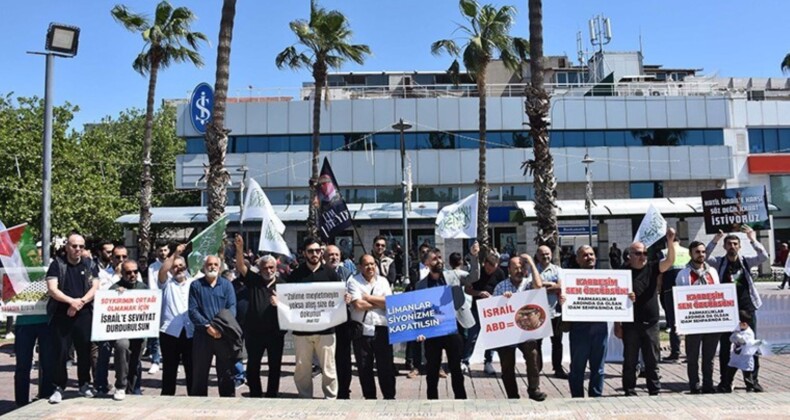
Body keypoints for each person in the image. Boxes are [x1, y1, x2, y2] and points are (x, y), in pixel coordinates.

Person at [706, 227, 768, 393]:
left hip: (747, 309)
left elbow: (764, 256)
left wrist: (752, 238)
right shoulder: (719, 262)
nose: (732, 246)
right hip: (727, 310)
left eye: (735, 244)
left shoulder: (746, 261)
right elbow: (703, 256)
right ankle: (725, 381)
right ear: (725, 247)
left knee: (750, 345)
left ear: (739, 246)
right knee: (726, 346)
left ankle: (752, 381)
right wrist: (716, 239)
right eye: (729, 244)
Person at [415, 247, 478, 400]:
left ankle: (461, 401)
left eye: (440, 257)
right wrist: (419, 331)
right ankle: (432, 403)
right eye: (435, 258)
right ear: (427, 263)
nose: (439, 260)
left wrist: (475, 257)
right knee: (432, 371)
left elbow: (473, 277)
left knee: (456, 369)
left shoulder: (454, 275)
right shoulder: (420, 285)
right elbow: (418, 311)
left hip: (453, 329)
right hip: (433, 333)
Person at [621, 228, 676, 397]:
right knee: (630, 360)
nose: (642, 256)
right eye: (638, 253)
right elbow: (614, 299)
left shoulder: (652, 267)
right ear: (629, 255)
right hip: (630, 323)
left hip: (651, 323)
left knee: (652, 359)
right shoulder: (621, 272)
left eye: (645, 253)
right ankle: (629, 390)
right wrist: (625, 297)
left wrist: (670, 240)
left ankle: (654, 389)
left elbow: (670, 261)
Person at [46, 233, 100, 404]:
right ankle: (59, 387)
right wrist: (71, 302)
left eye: (81, 246)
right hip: (62, 315)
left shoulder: (90, 264)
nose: (78, 249)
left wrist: (80, 302)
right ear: (67, 246)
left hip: (84, 315)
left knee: (84, 351)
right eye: (74, 246)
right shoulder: (57, 265)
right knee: (61, 352)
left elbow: (95, 287)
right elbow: (52, 290)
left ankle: (84, 384)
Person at [286, 237, 341, 399]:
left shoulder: (331, 274)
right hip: (302, 331)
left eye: (318, 251)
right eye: (311, 251)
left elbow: (338, 300)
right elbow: (288, 301)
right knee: (302, 369)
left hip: (326, 331)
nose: (315, 254)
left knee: (329, 368)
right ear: (304, 253)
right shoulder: (296, 275)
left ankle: (331, 398)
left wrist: (344, 299)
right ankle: (304, 398)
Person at [234, 236, 285, 398]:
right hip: (254, 333)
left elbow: (293, 308)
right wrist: (240, 249)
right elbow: (241, 266)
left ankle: (272, 395)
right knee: (253, 367)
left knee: (274, 367)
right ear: (260, 268)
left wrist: (280, 304)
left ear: (276, 268)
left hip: (275, 333)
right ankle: (255, 394)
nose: (268, 271)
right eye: (265, 268)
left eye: (271, 268)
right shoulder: (254, 280)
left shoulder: (284, 284)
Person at [493, 256, 546, 401]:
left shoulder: (529, 284)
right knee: (507, 365)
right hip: (507, 332)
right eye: (515, 267)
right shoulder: (500, 287)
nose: (519, 270)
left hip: (525, 330)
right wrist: (501, 301)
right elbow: (492, 313)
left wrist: (531, 263)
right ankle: (512, 396)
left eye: (522, 267)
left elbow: (539, 287)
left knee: (533, 354)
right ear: (509, 269)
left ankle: (534, 389)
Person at [347, 254, 396, 399]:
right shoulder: (354, 282)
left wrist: (367, 297)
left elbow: (389, 302)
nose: (370, 267)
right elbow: (358, 305)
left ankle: (389, 396)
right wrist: (379, 302)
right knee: (364, 367)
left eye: (372, 264)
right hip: (362, 329)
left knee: (385, 366)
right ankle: (369, 398)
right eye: (367, 264)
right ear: (360, 267)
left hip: (381, 328)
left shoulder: (383, 281)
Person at [188, 255, 238, 397]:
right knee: (200, 374)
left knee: (226, 374)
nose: (213, 267)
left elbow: (232, 307)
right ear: (204, 267)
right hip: (203, 336)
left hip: (223, 336)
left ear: (220, 266)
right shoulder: (196, 286)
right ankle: (198, 406)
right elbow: (193, 310)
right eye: (210, 264)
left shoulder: (227, 285)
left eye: (216, 264)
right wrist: (207, 326)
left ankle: (228, 404)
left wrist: (221, 327)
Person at [675, 241, 719, 394]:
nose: (700, 255)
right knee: (692, 357)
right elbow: (679, 300)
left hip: (712, 321)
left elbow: (718, 294)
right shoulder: (683, 274)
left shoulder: (712, 272)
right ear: (690, 254)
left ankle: (708, 384)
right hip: (693, 322)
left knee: (709, 357)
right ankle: (694, 384)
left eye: (702, 252)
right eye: (697, 252)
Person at [567, 245, 607, 398]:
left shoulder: (606, 278)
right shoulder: (570, 279)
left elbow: (618, 297)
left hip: (600, 329)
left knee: (599, 369)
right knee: (577, 369)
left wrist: (627, 297)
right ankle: (577, 399)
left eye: (591, 254)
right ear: (577, 260)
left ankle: (596, 398)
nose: (589, 257)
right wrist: (563, 299)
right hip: (580, 330)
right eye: (585, 255)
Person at [157, 244, 194, 396]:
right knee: (169, 370)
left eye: (181, 266)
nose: (178, 269)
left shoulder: (194, 282)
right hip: (170, 332)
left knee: (192, 368)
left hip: (190, 331)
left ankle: (194, 397)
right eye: (175, 266)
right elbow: (162, 270)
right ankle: (167, 398)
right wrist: (175, 254)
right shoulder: (166, 283)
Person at [108, 260, 149, 401]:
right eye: (128, 272)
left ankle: (132, 389)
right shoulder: (115, 288)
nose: (132, 275)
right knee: (122, 346)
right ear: (122, 273)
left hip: (138, 332)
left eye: (135, 272)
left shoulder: (144, 288)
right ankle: (120, 385)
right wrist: (116, 295)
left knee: (135, 360)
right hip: (121, 332)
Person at [463, 245, 503, 375]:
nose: (490, 270)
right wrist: (479, 293)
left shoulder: (500, 273)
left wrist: (495, 297)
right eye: (488, 267)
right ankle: (465, 361)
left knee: (492, 337)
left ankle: (488, 362)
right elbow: (467, 289)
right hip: (477, 308)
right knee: (472, 337)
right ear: (485, 263)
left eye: (493, 267)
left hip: (492, 310)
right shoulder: (477, 273)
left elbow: (504, 290)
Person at [324, 244, 354, 399]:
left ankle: (344, 391)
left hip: (343, 322)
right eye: (330, 255)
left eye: (336, 254)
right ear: (324, 257)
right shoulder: (320, 272)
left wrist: (350, 297)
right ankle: (330, 391)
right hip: (325, 323)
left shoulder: (347, 274)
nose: (333, 257)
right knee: (328, 360)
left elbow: (354, 292)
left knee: (343, 358)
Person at [534, 245, 567, 379]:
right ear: (537, 255)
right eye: (542, 254)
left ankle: (558, 369)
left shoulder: (558, 270)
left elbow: (561, 286)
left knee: (557, 342)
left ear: (551, 255)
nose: (545, 256)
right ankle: (537, 368)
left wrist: (543, 285)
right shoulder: (533, 270)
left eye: (547, 254)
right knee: (537, 343)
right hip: (538, 313)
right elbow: (534, 286)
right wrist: (551, 286)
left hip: (556, 312)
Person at [404, 242, 433, 378]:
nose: (425, 254)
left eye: (427, 252)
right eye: (422, 252)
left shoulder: (435, 267)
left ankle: (434, 366)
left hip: (432, 307)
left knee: (433, 339)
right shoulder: (413, 268)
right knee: (416, 338)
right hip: (417, 306)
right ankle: (416, 366)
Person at [13, 311, 54, 407]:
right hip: (23, 322)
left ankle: (45, 398)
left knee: (48, 364)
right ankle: (21, 402)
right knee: (22, 365)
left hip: (47, 321)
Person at [659, 237, 689, 361]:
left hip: (669, 290)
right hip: (686, 291)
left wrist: (658, 289)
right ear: (679, 242)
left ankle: (675, 353)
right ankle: (690, 354)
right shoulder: (688, 252)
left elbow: (660, 273)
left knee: (673, 323)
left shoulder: (664, 252)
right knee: (688, 322)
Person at [145, 242, 170, 375]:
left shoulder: (173, 265)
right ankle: (155, 361)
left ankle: (170, 361)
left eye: (165, 250)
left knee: (170, 333)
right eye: (160, 250)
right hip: (157, 302)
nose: (163, 253)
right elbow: (152, 285)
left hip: (170, 303)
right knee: (155, 334)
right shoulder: (152, 267)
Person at [726, 311, 763, 378]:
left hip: (745, 356)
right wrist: (734, 337)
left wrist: (738, 336)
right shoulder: (737, 330)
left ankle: (750, 385)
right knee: (731, 369)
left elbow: (744, 342)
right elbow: (731, 339)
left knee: (747, 372)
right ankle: (727, 385)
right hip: (736, 355)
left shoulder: (749, 332)